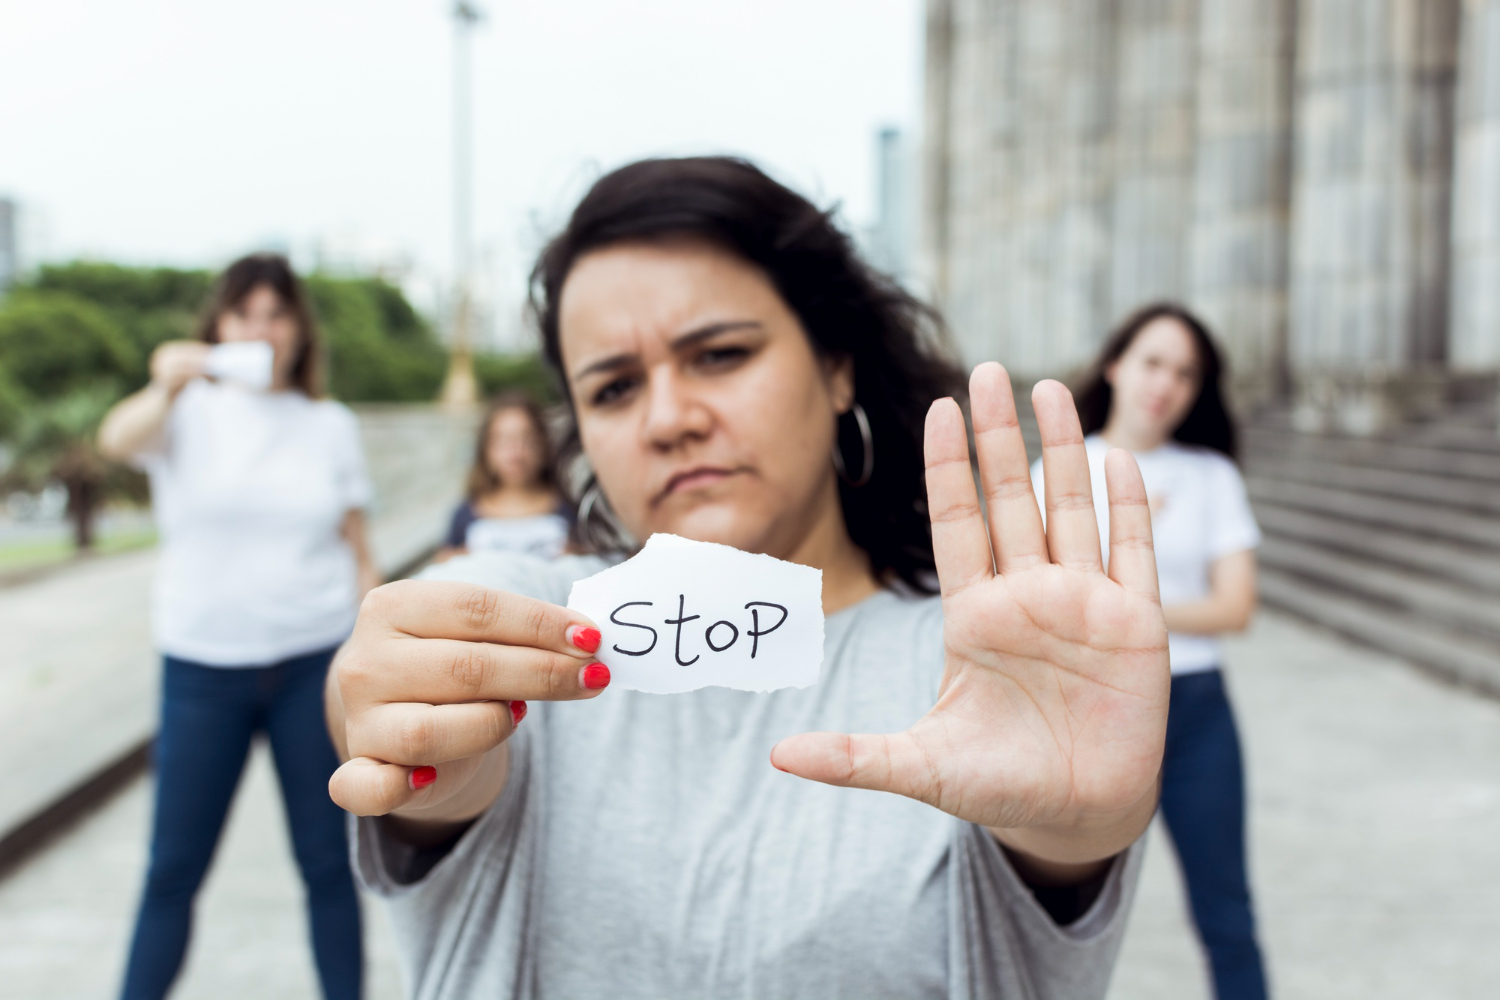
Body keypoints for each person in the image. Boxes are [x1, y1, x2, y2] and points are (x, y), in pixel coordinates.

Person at [325, 158, 1172, 999]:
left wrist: (1078, 829)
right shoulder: (540, 627)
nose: (669, 419)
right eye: (615, 387)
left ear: (837, 364)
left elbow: (1055, 844)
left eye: (720, 355)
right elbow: (402, 695)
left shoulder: (985, 659)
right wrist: (413, 732)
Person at [99, 253, 373, 1000]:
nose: (262, 328)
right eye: (246, 313)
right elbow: (116, 441)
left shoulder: (329, 423)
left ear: (298, 329)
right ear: (220, 325)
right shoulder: (184, 413)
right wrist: (166, 382)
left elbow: (359, 551)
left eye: (276, 313)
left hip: (311, 664)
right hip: (203, 667)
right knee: (172, 869)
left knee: (327, 864)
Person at [1034, 303, 1267, 1000]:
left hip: (1194, 709)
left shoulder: (1210, 476)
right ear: (1117, 365)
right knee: (1058, 914)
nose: (1165, 383)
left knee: (1226, 910)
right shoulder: (1062, 473)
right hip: (1090, 707)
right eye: (1153, 362)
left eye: (1186, 373)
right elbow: (1044, 605)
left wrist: (1121, 600)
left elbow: (1236, 606)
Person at [432, 393, 571, 563]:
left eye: (528, 440)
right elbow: (442, 569)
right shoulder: (464, 515)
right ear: (485, 449)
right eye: (503, 441)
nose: (516, 454)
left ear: (544, 445)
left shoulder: (571, 511)